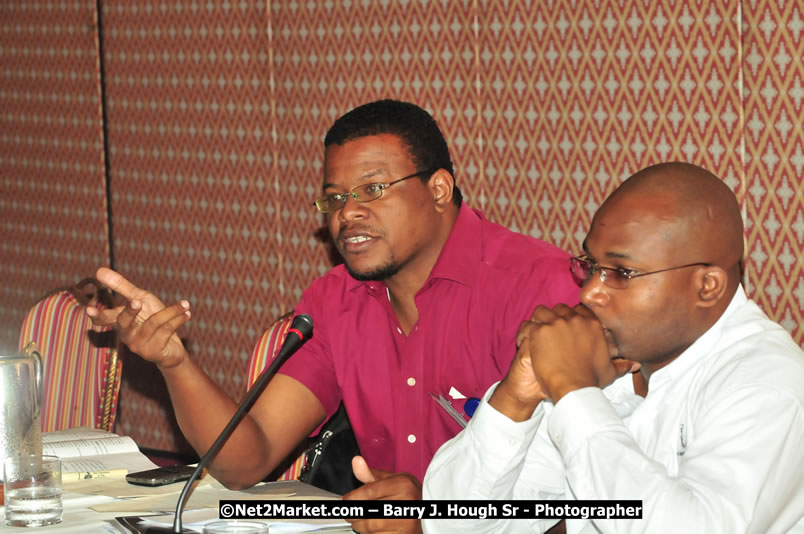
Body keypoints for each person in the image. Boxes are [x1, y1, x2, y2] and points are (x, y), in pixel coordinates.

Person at [88, 99, 579, 533]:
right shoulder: (336, 301)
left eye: (373, 189)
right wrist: (174, 362)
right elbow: (246, 459)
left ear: (439, 189)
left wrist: (435, 517)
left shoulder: (538, 289)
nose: (348, 214)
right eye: (337, 198)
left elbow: (588, 500)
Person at [423, 162, 804, 533]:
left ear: (707, 286)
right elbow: (451, 523)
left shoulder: (767, 386)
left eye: (621, 273)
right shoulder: (619, 364)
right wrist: (515, 397)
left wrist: (574, 390)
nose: (589, 291)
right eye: (591, 265)